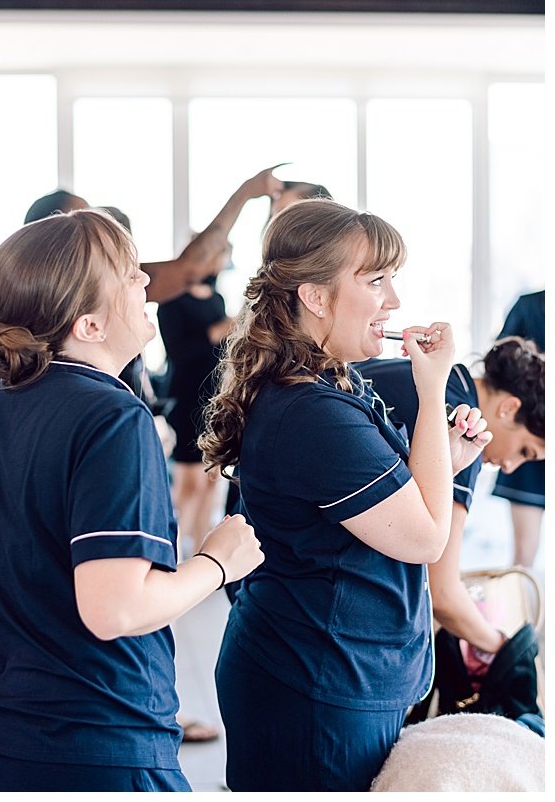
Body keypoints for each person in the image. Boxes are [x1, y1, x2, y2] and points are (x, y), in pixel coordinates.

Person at [0, 210, 263, 791]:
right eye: (129, 274)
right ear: (89, 326)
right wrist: (218, 562)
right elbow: (116, 609)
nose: (147, 282)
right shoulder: (112, 416)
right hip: (96, 745)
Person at [200, 199, 485, 791]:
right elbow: (428, 538)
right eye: (376, 280)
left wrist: (442, 461)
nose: (395, 302)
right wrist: (432, 391)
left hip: (323, 669)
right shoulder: (313, 413)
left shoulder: (327, 383)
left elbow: (393, 505)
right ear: (317, 297)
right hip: (316, 685)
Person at [356, 336, 544, 667]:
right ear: (509, 407)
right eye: (524, 452)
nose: (511, 466)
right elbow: (442, 593)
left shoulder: (433, 378)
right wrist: (503, 649)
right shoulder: (462, 424)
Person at [25, 166, 286, 304]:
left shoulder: (116, 279)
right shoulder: (85, 295)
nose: (96, 222)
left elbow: (190, 267)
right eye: (82, 218)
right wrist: (244, 193)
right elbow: (190, 269)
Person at [157, 238, 235, 557]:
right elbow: (177, 352)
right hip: (187, 396)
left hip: (215, 396)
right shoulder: (171, 301)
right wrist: (214, 333)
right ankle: (171, 554)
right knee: (188, 481)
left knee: (212, 480)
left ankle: (202, 553)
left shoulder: (216, 298)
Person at [491, 290, 545, 567]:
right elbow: (500, 361)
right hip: (528, 432)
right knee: (525, 551)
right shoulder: (529, 306)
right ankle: (521, 609)